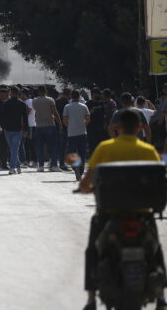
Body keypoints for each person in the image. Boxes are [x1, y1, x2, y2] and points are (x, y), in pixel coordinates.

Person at [78, 109, 166, 310]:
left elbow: (87, 181)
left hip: (109, 214)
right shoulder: (148, 150)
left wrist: (85, 188)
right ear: (139, 128)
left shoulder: (104, 148)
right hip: (142, 214)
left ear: (117, 128)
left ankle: (91, 300)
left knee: (93, 250)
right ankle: (161, 297)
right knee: (156, 250)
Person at [0, 86, 28, 175]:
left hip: (7, 129)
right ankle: (17, 166)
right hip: (18, 129)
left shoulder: (5, 103)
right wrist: (26, 130)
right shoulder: (22, 104)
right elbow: (25, 118)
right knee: (14, 149)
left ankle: (12, 168)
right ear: (19, 93)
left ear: (10, 93)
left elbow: (1, 116)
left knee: (13, 149)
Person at [32, 85, 62, 172]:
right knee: (53, 146)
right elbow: (55, 112)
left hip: (39, 126)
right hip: (50, 125)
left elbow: (36, 110)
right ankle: (54, 165)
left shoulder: (34, 100)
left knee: (39, 147)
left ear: (38, 91)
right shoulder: (50, 100)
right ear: (45, 91)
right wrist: (59, 123)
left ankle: (40, 166)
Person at [63, 89, 91, 180]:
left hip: (71, 133)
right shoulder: (84, 106)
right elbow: (88, 119)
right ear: (79, 96)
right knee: (82, 152)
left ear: (71, 96)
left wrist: (69, 126)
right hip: (82, 132)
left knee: (72, 152)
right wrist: (83, 125)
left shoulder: (67, 106)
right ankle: (81, 170)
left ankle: (75, 167)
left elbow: (65, 120)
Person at [86, 88, 106, 156]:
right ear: (94, 94)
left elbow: (104, 113)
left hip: (100, 127)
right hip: (91, 127)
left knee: (100, 143)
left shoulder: (101, 102)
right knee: (92, 144)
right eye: (98, 93)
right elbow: (85, 115)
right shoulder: (88, 103)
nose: (99, 95)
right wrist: (90, 112)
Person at [54, 88, 71, 170]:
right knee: (63, 146)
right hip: (65, 126)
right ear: (68, 95)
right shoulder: (67, 103)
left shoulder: (56, 101)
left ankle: (54, 163)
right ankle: (62, 163)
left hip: (56, 125)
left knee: (56, 145)